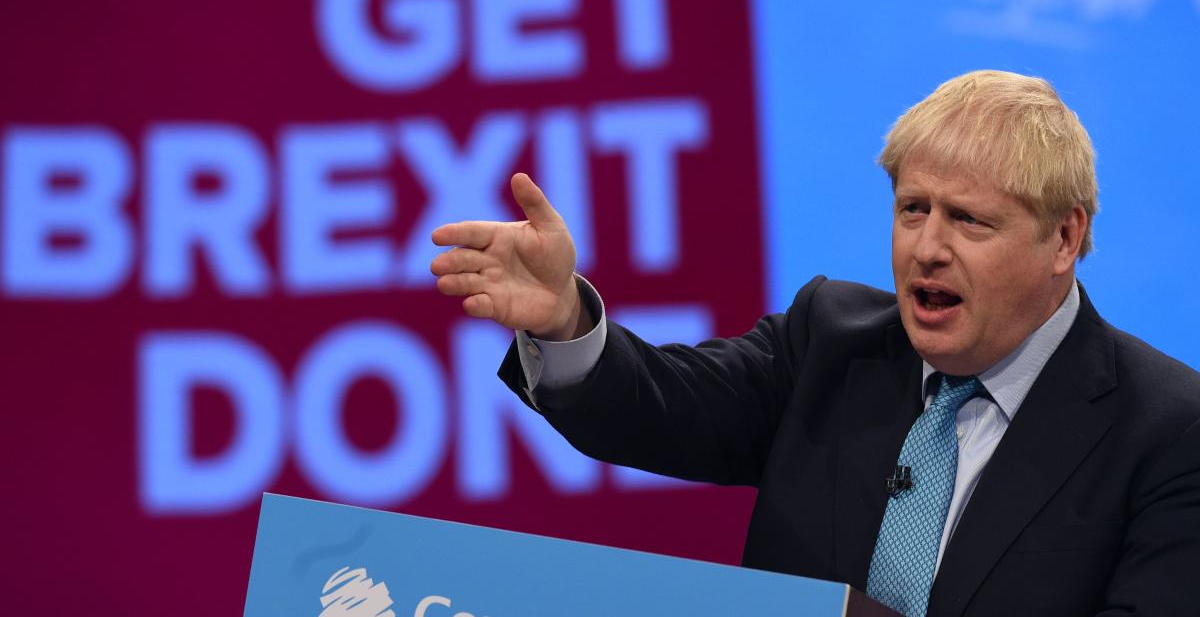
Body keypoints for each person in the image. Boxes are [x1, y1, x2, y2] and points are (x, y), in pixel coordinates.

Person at [429, 71, 1200, 616]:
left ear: (1063, 237)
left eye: (968, 220)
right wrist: (564, 318)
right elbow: (655, 406)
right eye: (912, 209)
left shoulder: (1169, 432)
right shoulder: (830, 341)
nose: (927, 249)